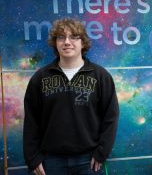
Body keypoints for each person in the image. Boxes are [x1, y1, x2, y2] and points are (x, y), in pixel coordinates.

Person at [23, 18, 119, 175]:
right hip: (50, 162)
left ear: (83, 43)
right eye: (61, 37)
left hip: (89, 161)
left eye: (74, 37)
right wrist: (32, 157)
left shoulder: (100, 76)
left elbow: (110, 117)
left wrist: (102, 152)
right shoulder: (40, 78)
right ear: (55, 43)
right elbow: (31, 121)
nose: (67, 42)